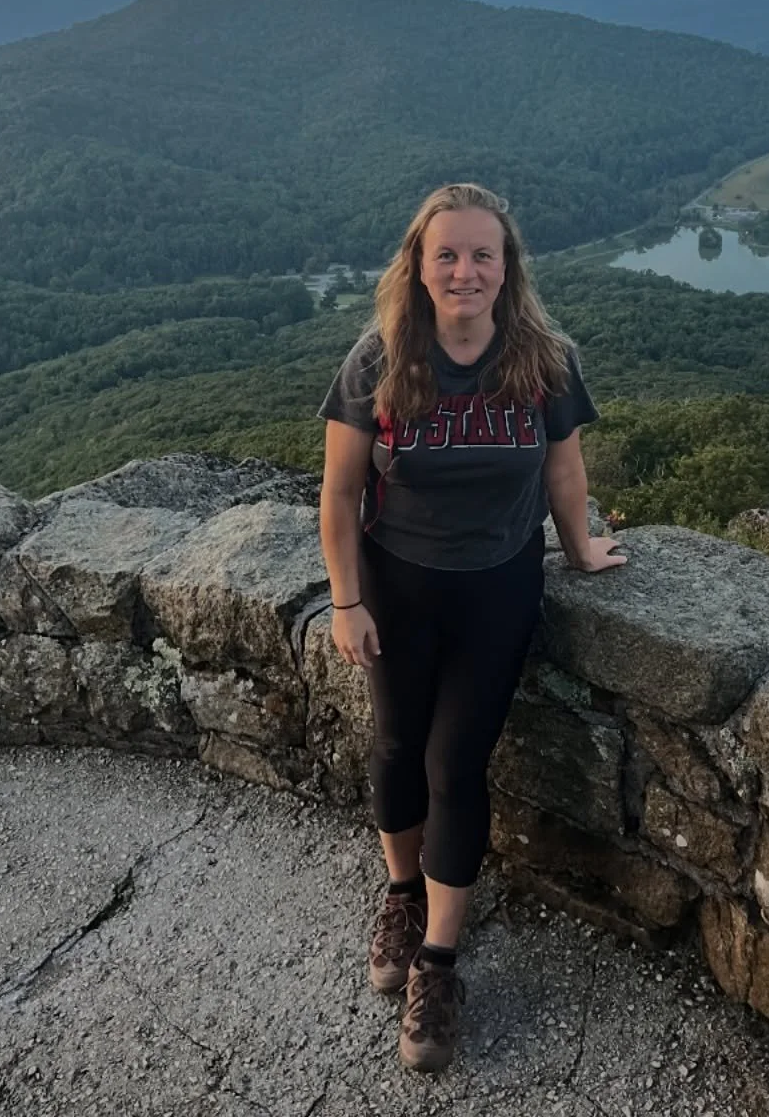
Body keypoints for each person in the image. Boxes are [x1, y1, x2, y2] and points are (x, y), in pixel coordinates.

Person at [317, 182, 625, 1074]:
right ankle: (401, 893)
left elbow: (565, 471)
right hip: (396, 584)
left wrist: (582, 549)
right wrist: (345, 600)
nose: (465, 270)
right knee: (396, 745)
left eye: (482, 254)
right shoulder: (379, 358)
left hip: (499, 586)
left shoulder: (545, 359)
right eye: (446, 254)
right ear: (417, 265)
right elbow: (338, 494)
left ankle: (439, 963)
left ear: (507, 268)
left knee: (456, 765)